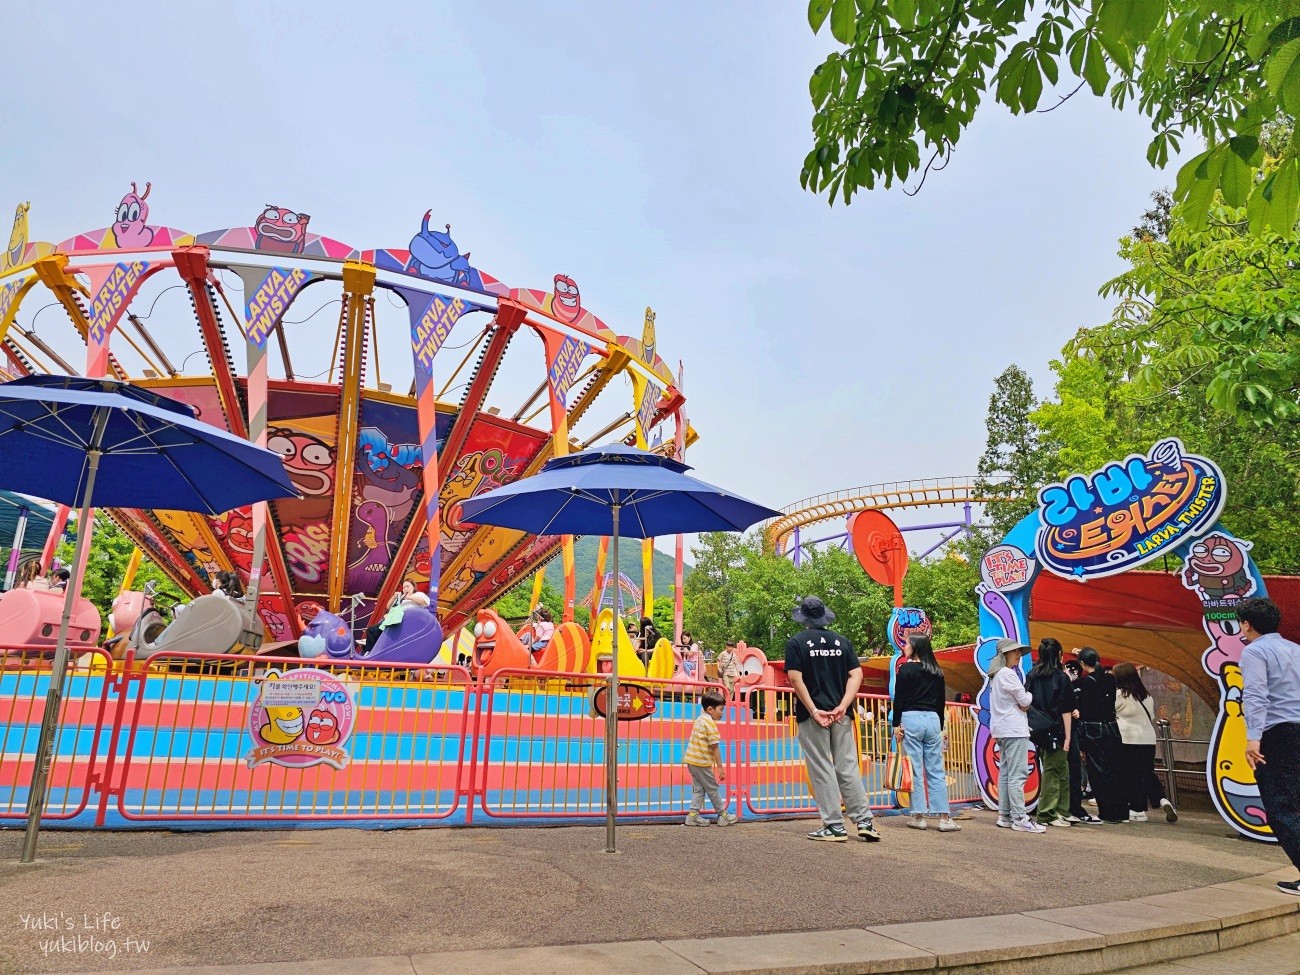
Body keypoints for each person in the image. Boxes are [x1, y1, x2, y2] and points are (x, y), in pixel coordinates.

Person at [785, 596, 881, 842]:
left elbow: (796, 679)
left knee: (821, 767)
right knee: (847, 766)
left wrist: (815, 710)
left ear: (804, 618)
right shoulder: (843, 642)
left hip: (813, 715)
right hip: (842, 715)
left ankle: (834, 826)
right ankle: (865, 821)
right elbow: (856, 675)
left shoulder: (796, 642)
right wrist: (843, 706)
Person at [1237, 598, 1300, 896]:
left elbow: (1256, 695)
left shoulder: (1255, 651)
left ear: (1247, 624)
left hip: (1277, 733)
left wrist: (1253, 738)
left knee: (1279, 806)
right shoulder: (1295, 649)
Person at [891, 633, 959, 831]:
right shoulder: (936, 671)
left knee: (916, 769)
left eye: (907, 644)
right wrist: (938, 725)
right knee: (936, 769)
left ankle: (918, 815)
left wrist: (896, 724)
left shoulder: (906, 669)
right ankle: (945, 818)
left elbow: (900, 699)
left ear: (915, 648)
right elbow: (940, 702)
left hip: (911, 718)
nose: (904, 646)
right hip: (932, 719)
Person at [989, 638, 1044, 833]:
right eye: (1015, 652)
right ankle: (1020, 817)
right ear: (1006, 654)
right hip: (1014, 729)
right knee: (1017, 774)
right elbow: (1025, 700)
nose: (1019, 656)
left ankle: (1004, 814)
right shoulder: (1008, 674)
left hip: (1001, 729)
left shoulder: (996, 675)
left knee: (1005, 772)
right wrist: (1027, 698)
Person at [1113, 663, 1178, 824]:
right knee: (1146, 772)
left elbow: (1110, 712)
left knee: (1130, 775)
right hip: (1148, 739)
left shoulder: (1120, 695)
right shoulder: (1146, 696)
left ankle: (1137, 810)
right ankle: (1162, 799)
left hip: (1127, 739)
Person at [1024, 638, 1074, 828]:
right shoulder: (1061, 678)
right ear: (1059, 655)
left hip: (1037, 730)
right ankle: (1047, 813)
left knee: (1057, 767)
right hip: (1057, 729)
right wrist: (1068, 736)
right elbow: (1066, 709)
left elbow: (1025, 701)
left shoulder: (1032, 675)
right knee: (1055, 770)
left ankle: (1060, 809)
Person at [1076, 647, 1128, 825]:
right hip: (1112, 727)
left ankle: (1108, 812)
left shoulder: (1085, 683)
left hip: (1092, 730)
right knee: (1115, 768)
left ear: (1082, 664)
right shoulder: (1110, 679)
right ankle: (1121, 811)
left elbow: (1083, 710)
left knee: (1098, 771)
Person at [683, 688, 736, 827]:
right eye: (720, 709)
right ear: (710, 709)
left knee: (699, 789)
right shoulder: (710, 724)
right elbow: (715, 747)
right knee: (712, 788)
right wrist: (720, 767)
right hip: (701, 762)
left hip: (692, 760)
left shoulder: (700, 719)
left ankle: (692, 815)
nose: (722, 713)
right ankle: (723, 815)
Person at [1063, 660, 1100, 824]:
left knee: (1072, 767)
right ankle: (1077, 800)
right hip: (1074, 731)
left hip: (1070, 731)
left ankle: (1080, 796)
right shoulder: (1075, 683)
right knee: (1075, 767)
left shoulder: (1075, 684)